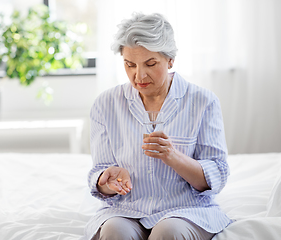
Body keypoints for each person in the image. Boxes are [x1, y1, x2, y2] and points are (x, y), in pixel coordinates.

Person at [83, 12, 232, 240]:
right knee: (114, 232)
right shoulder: (106, 104)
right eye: (129, 64)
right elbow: (99, 176)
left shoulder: (203, 102)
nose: (139, 75)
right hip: (127, 210)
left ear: (170, 60)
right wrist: (108, 180)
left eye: (150, 64)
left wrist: (174, 157)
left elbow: (218, 174)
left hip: (185, 211)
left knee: (168, 232)